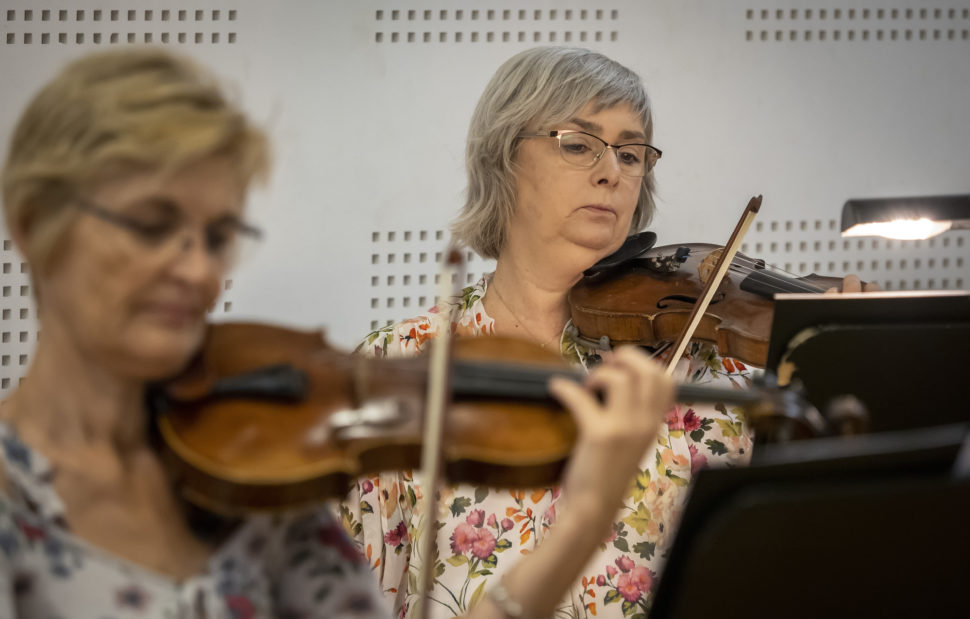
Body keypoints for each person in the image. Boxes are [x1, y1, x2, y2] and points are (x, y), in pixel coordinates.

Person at [0, 48, 674, 619]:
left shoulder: (252, 476)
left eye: (219, 236)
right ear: (31, 221)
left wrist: (586, 516)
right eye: (151, 225)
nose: (199, 270)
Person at [347, 46, 879, 618]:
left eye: (630, 153)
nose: (612, 171)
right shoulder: (402, 365)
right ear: (502, 158)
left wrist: (847, 357)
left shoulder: (714, 374)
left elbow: (811, 557)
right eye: (578, 144)